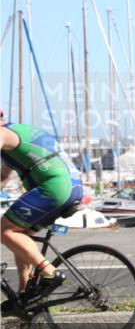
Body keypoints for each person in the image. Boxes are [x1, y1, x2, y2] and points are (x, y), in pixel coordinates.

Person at [1, 110, 83, 316]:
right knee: (21, 235)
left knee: (5, 231)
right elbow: (3, 176)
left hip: (55, 186)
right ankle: (25, 294)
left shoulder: (2, 134)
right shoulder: (17, 131)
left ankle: (50, 273)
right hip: (69, 185)